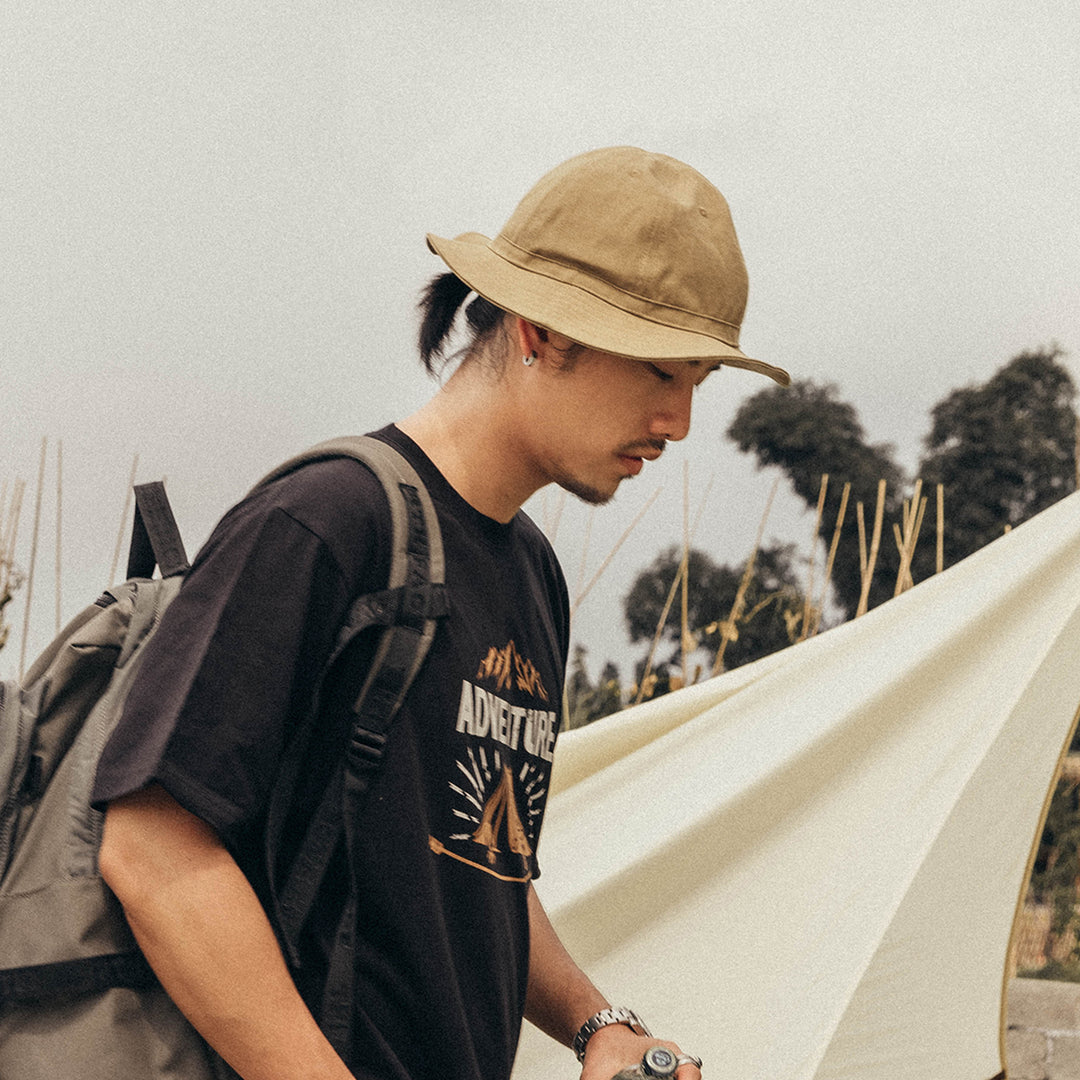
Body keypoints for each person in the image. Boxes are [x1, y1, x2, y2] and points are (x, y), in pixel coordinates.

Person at [93, 145, 790, 1080]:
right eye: (661, 374)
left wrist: (598, 1027)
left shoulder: (532, 575)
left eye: (698, 384)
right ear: (542, 331)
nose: (682, 424)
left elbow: (479, 868)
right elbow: (152, 852)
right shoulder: (325, 525)